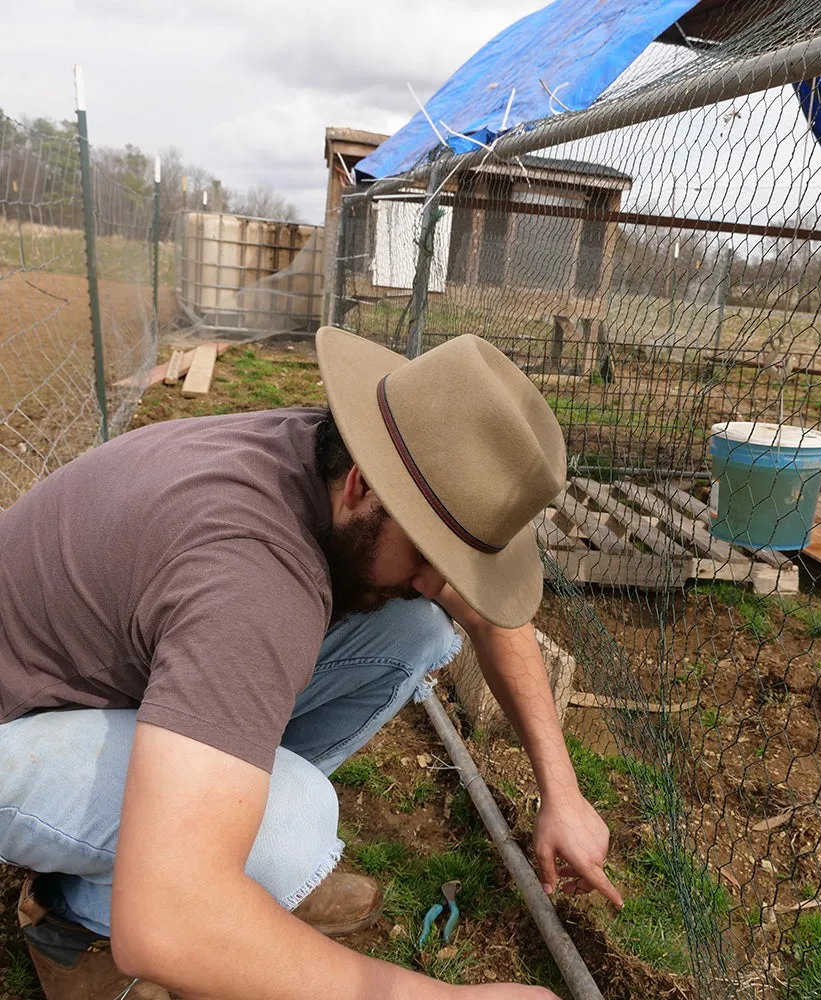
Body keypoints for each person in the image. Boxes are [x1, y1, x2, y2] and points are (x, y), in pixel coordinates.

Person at [0, 328, 623, 1000]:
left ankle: (209, 846)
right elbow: (165, 923)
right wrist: (452, 998)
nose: (433, 583)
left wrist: (561, 791)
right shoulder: (256, 583)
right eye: (426, 555)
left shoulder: (322, 453)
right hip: (16, 727)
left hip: (66, 675)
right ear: (361, 486)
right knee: (294, 825)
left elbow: (482, 614)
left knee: (414, 630)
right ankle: (78, 927)